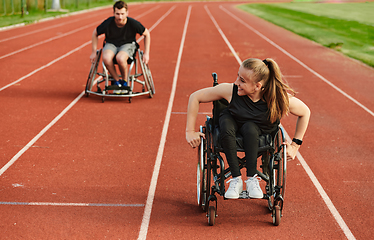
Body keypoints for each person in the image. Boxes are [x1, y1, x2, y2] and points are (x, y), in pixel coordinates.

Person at [186, 58, 310, 199]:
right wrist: (190, 131)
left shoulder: (277, 98)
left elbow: (305, 112)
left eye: (242, 80)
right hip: (230, 125)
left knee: (250, 128)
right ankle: (236, 179)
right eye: (238, 76)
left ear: (257, 86)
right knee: (225, 124)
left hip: (255, 132)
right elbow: (195, 97)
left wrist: (295, 146)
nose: (236, 82)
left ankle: (252, 179)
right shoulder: (230, 91)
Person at [90, 0, 150, 91]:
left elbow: (147, 34)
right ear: (114, 13)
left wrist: (146, 53)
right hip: (111, 44)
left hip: (128, 44)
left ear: (127, 13)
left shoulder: (132, 23)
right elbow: (95, 33)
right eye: (117, 14)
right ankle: (117, 81)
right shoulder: (109, 22)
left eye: (122, 14)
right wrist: (94, 52)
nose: (120, 17)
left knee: (120, 58)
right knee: (106, 57)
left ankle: (125, 82)